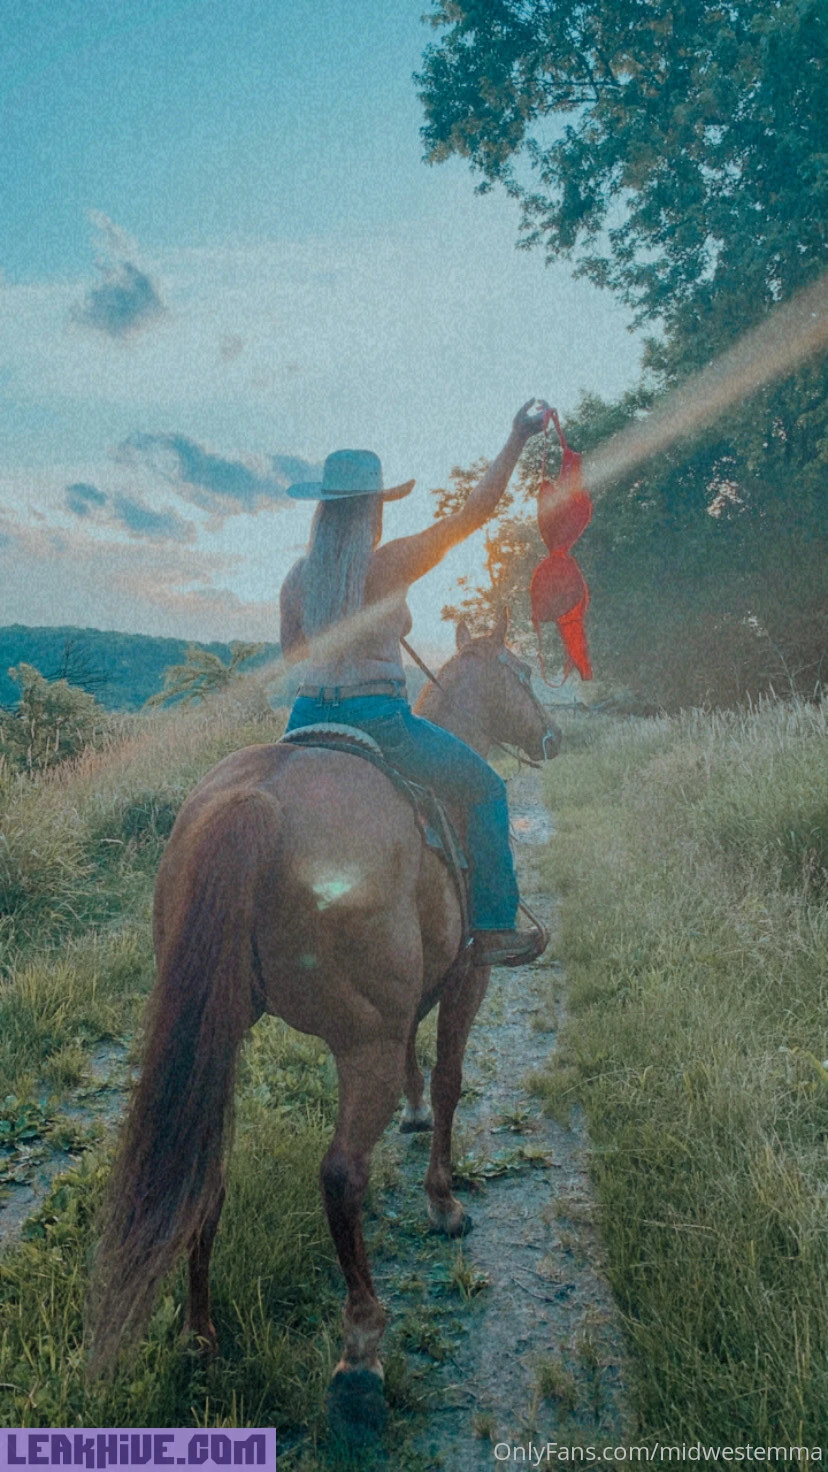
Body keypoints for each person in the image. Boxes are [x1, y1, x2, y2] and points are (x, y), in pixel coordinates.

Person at [279, 400, 549, 966]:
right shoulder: (391, 563)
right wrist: (516, 438)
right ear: (373, 511)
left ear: (322, 512)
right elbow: (475, 512)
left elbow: (293, 657)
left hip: (305, 717)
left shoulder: (298, 579)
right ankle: (494, 926)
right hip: (378, 720)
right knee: (486, 789)